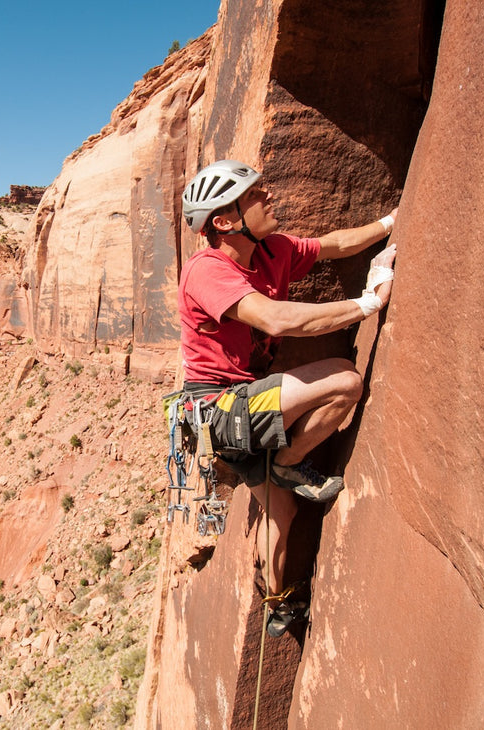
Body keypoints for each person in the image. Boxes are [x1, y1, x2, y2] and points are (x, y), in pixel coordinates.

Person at [177, 159, 396, 626]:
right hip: (220, 409)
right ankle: (291, 461)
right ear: (225, 220)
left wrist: (391, 224)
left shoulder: (271, 250)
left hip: (238, 406)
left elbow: (332, 245)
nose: (268, 196)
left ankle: (278, 603)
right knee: (345, 380)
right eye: (256, 195)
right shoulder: (206, 270)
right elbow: (275, 320)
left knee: (281, 511)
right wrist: (370, 303)